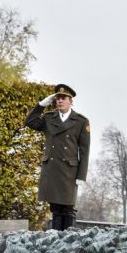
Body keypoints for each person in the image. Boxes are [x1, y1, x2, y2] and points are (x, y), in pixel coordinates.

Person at [25, 84, 91, 231]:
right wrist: (41, 105)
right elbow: (29, 122)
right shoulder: (49, 118)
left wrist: (82, 175)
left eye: (63, 98)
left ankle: (67, 241)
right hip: (53, 169)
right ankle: (55, 240)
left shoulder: (80, 121)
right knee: (55, 208)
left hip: (69, 171)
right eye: (57, 98)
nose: (60, 101)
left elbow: (85, 150)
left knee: (68, 208)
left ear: (70, 101)